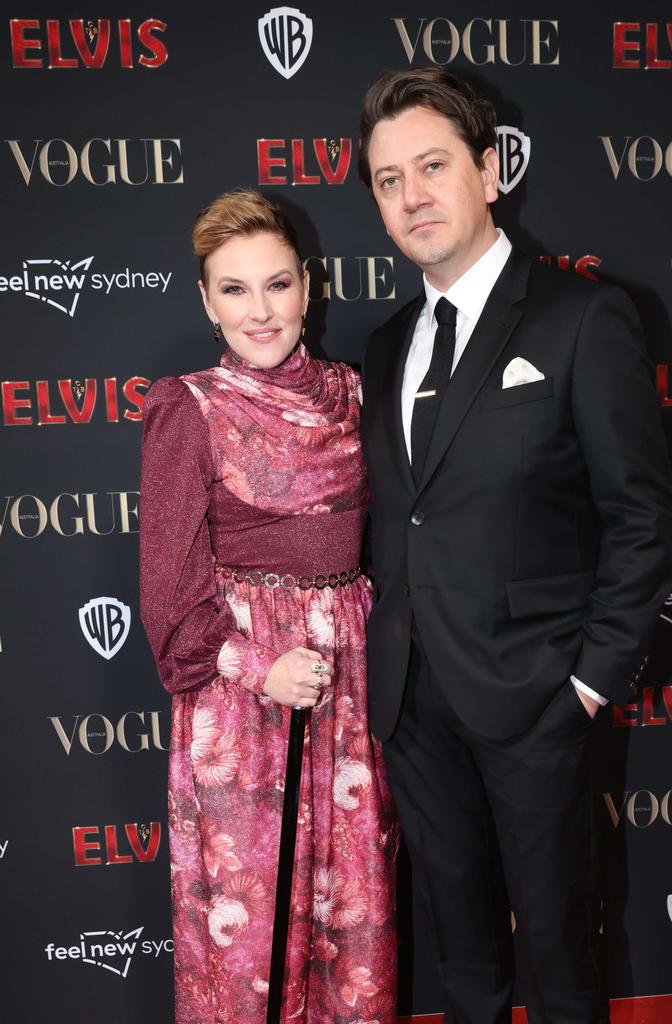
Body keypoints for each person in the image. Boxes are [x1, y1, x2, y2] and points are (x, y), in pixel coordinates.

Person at [357, 68, 672, 1024]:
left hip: (538, 699)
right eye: (385, 180)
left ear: (490, 171)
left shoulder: (584, 319)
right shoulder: (382, 348)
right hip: (413, 705)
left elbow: (641, 513)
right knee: (461, 958)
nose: (411, 195)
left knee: (559, 955)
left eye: (432, 166)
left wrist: (588, 681)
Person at [139, 189, 397, 1024]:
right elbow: (168, 588)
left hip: (348, 685)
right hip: (245, 697)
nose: (261, 311)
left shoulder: (357, 395)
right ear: (206, 302)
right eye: (236, 290)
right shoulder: (191, 406)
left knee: (350, 912)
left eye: (277, 285)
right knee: (251, 923)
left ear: (308, 287)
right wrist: (261, 666)